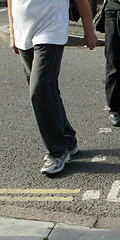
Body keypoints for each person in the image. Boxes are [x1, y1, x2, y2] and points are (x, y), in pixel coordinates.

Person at [7, 0, 98, 174]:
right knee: (46, 91)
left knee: (40, 89)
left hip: (50, 30)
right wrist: (12, 31)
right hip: (23, 31)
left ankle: (57, 152)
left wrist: (89, 30)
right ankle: (67, 140)